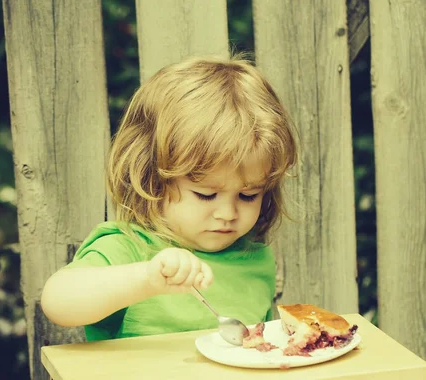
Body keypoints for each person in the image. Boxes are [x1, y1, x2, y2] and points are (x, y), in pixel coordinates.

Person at [40, 53, 298, 341]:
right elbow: (57, 302)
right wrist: (146, 279)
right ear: (152, 178)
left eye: (248, 195)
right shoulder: (129, 248)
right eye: (206, 194)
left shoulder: (255, 259)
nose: (227, 212)